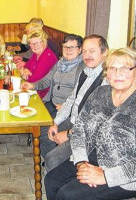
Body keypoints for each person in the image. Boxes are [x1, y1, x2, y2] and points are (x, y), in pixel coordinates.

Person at [44, 47, 136, 200]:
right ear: (106, 72)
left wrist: (105, 176)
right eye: (112, 68)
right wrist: (81, 162)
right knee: (52, 181)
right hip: (90, 158)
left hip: (126, 174)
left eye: (125, 68)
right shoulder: (100, 94)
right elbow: (80, 130)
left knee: (68, 195)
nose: (117, 73)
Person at [42, 35, 108, 171]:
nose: (87, 55)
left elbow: (95, 123)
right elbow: (72, 100)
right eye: (85, 51)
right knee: (44, 132)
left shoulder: (106, 80)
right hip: (73, 121)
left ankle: (59, 170)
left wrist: (67, 134)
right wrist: (56, 122)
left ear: (105, 52)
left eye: (92, 51)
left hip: (86, 133)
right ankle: (54, 168)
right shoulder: (85, 72)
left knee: (53, 158)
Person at [22, 34, 84, 117]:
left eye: (72, 47)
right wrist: (32, 85)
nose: (68, 50)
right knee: (29, 117)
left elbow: (84, 95)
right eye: (65, 47)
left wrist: (70, 108)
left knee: (40, 128)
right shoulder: (60, 63)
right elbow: (46, 81)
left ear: (80, 50)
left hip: (66, 109)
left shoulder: (83, 68)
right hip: (51, 103)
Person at [20, 30, 58, 98]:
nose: (34, 46)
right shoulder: (36, 54)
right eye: (31, 43)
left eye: (37, 43)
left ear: (44, 42)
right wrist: (26, 70)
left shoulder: (48, 57)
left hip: (41, 94)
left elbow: (36, 80)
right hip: (32, 89)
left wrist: (24, 74)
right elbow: (26, 66)